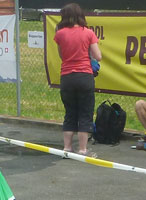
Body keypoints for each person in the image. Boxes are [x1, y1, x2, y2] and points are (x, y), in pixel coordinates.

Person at [53, 3, 101, 158]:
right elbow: (98, 56)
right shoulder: (88, 33)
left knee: (70, 113)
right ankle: (83, 149)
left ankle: (67, 148)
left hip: (67, 76)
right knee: (85, 113)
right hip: (84, 76)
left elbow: (62, 55)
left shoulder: (60, 34)